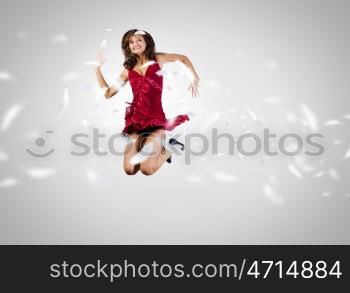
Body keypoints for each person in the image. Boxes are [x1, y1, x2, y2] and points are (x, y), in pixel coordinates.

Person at [94, 29, 200, 176]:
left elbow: (183, 58)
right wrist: (97, 70)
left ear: (146, 42)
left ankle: (168, 150)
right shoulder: (128, 70)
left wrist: (195, 77)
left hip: (155, 122)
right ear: (127, 47)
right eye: (131, 42)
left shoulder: (158, 58)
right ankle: (160, 148)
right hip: (135, 123)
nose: (135, 44)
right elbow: (108, 93)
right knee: (129, 170)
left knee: (147, 170)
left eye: (139, 40)